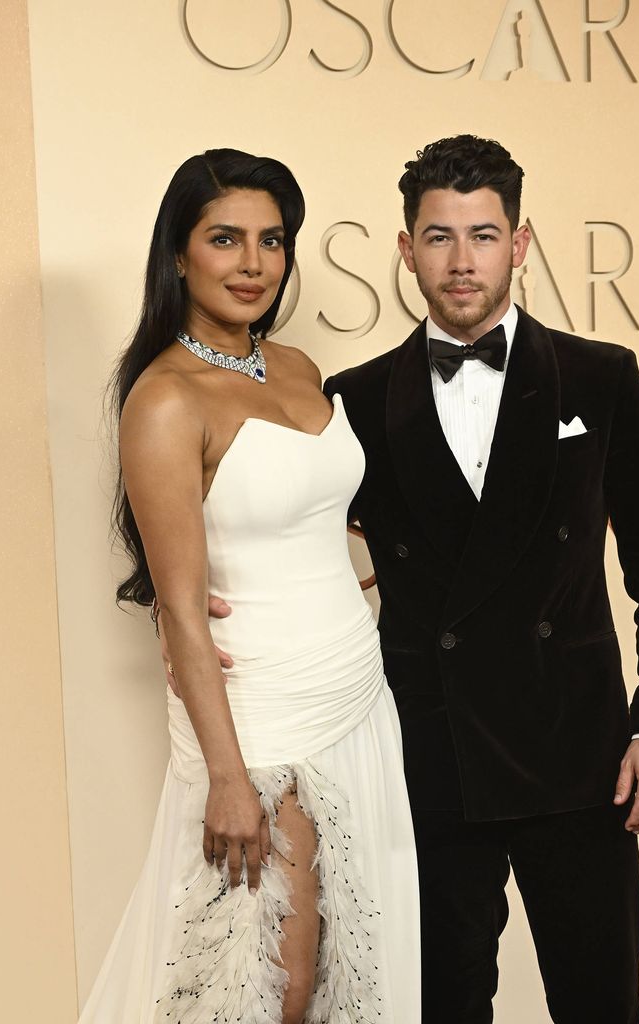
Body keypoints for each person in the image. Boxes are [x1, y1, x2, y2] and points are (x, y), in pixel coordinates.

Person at [201, 135, 639, 1022]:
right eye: (438, 237)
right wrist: (184, 611)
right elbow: (263, 509)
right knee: (440, 1007)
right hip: (425, 757)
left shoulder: (602, 377)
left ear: (520, 243)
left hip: (579, 758)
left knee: (600, 1004)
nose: (461, 262)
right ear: (406, 250)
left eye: (482, 235)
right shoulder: (353, 400)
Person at [78, 149, 420, 1024]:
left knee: (352, 967)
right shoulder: (164, 400)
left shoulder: (299, 369)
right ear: (180, 254)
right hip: (260, 721)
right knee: (275, 989)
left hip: (355, 694)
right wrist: (228, 777)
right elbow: (182, 609)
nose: (253, 262)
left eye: (272, 240)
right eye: (225, 238)